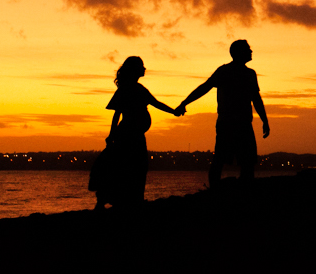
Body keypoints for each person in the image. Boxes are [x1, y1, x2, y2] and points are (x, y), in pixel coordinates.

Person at [89, 56, 182, 209]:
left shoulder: (138, 88)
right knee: (130, 167)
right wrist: (112, 134)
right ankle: (120, 201)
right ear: (134, 70)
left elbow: (155, 103)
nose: (144, 68)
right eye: (141, 66)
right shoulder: (127, 89)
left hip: (134, 135)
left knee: (131, 167)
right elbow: (117, 114)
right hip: (128, 135)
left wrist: (173, 112)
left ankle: (129, 200)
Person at [176, 39, 270, 188]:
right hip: (229, 123)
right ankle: (216, 190)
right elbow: (205, 88)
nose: (251, 51)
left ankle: (239, 190)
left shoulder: (247, 73)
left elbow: (256, 99)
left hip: (241, 123)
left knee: (245, 161)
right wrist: (184, 102)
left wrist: (265, 120)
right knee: (222, 159)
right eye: (248, 49)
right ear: (239, 53)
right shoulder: (227, 71)